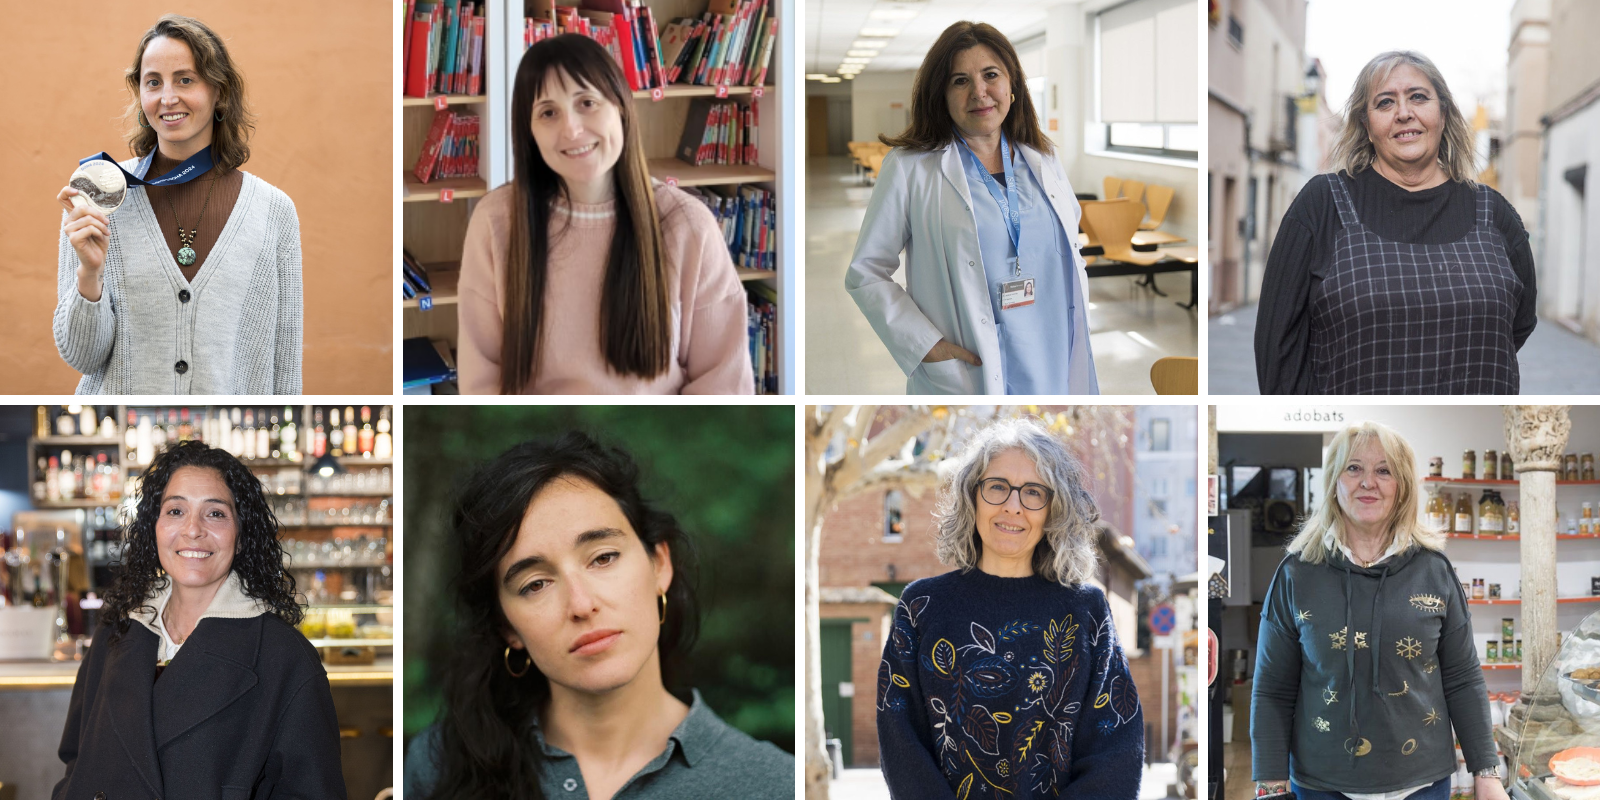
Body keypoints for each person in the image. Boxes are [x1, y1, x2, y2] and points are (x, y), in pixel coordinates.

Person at [404, 432, 791, 799]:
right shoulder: (436, 764)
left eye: (603, 558)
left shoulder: (774, 784)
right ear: (507, 627)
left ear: (659, 564)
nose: (581, 604)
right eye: (535, 584)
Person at [457, 35, 753, 395]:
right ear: (529, 132)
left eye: (587, 102)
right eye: (548, 112)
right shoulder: (496, 221)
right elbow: (481, 380)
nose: (571, 129)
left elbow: (724, 384)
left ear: (622, 109)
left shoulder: (687, 223)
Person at [54, 441, 343, 799]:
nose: (192, 530)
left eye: (216, 513)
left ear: (241, 534)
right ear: (153, 527)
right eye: (175, 511)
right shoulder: (118, 631)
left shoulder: (286, 658)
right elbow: (76, 759)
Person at [877, 418, 1142, 798]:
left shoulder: (1086, 610)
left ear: (1054, 508)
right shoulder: (922, 607)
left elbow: (1116, 748)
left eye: (1033, 492)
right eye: (997, 487)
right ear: (971, 496)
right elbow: (901, 743)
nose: (1013, 507)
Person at [1254, 51, 1535, 394]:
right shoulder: (1322, 204)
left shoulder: (1494, 213)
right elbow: (1277, 346)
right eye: (1385, 103)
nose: (1404, 113)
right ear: (1366, 126)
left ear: (1443, 113)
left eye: (1418, 97)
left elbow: (1517, 324)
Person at [1251, 422, 1505, 800]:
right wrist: (1271, 785)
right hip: (1323, 784)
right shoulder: (1295, 574)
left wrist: (1486, 772)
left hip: (1422, 782)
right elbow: (1272, 689)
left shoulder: (1435, 571)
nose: (1368, 482)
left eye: (1383, 471)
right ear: (1334, 482)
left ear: (1401, 487)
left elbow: (1463, 678)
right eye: (1354, 468)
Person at [53, 14, 302, 394]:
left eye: (185, 79)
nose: (168, 98)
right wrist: (89, 274)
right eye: (153, 83)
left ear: (219, 91)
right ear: (140, 95)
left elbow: (286, 370)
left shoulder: (274, 213)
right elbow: (81, 357)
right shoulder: (98, 197)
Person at [846, 22, 1097, 395]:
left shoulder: (1042, 158)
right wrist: (924, 344)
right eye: (960, 81)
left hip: (1054, 348)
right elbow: (865, 271)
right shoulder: (911, 166)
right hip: (970, 364)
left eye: (990, 75)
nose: (979, 92)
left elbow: (1069, 245)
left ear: (1013, 86)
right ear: (941, 95)